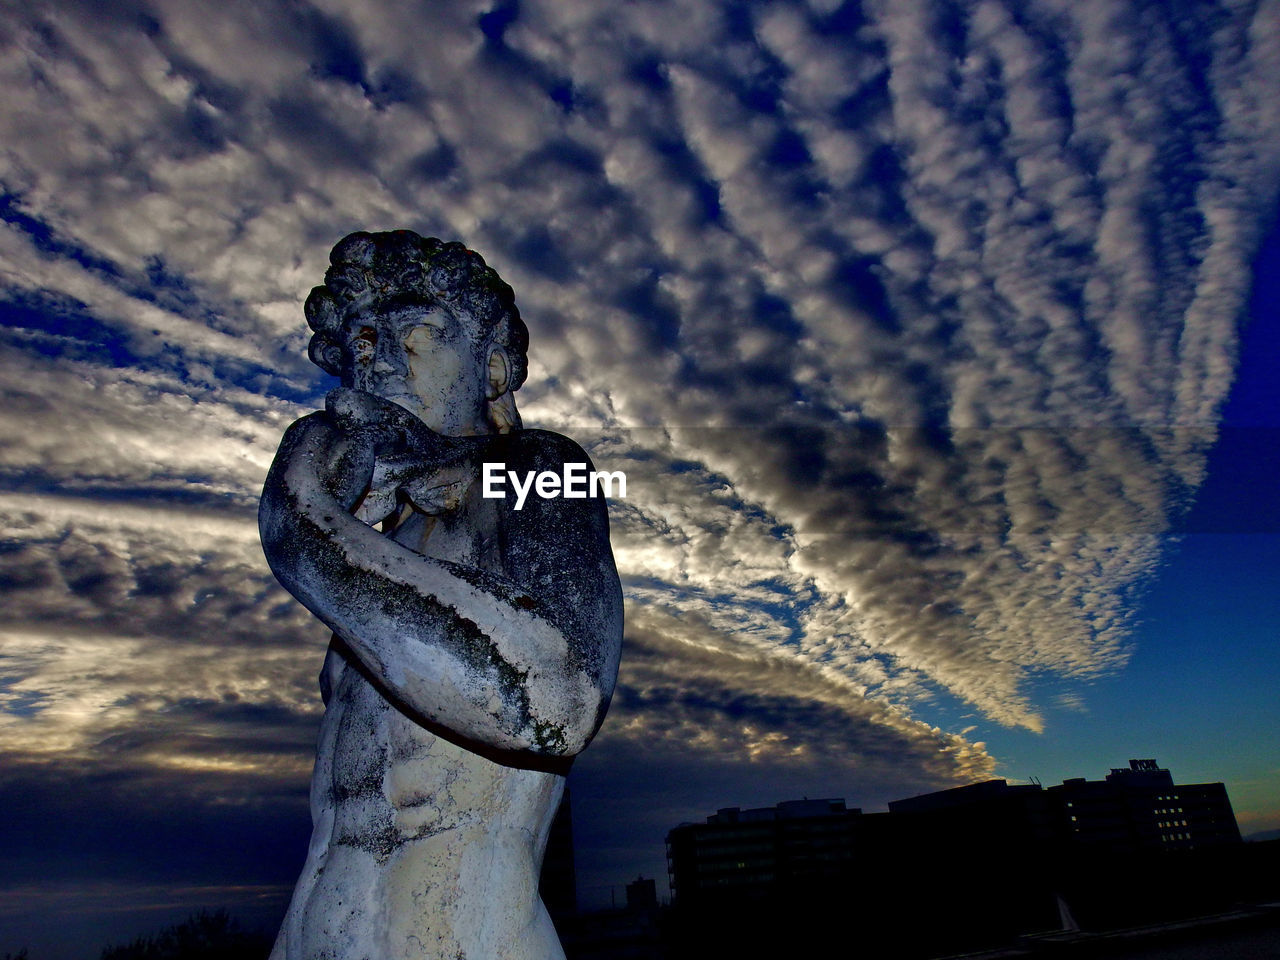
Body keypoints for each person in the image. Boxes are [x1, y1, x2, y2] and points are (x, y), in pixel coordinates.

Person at [259, 230, 623, 959]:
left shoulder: (537, 469)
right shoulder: (382, 549)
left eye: (419, 328)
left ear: (491, 363)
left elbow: (555, 702)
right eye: (358, 340)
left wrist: (303, 526)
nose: (379, 355)